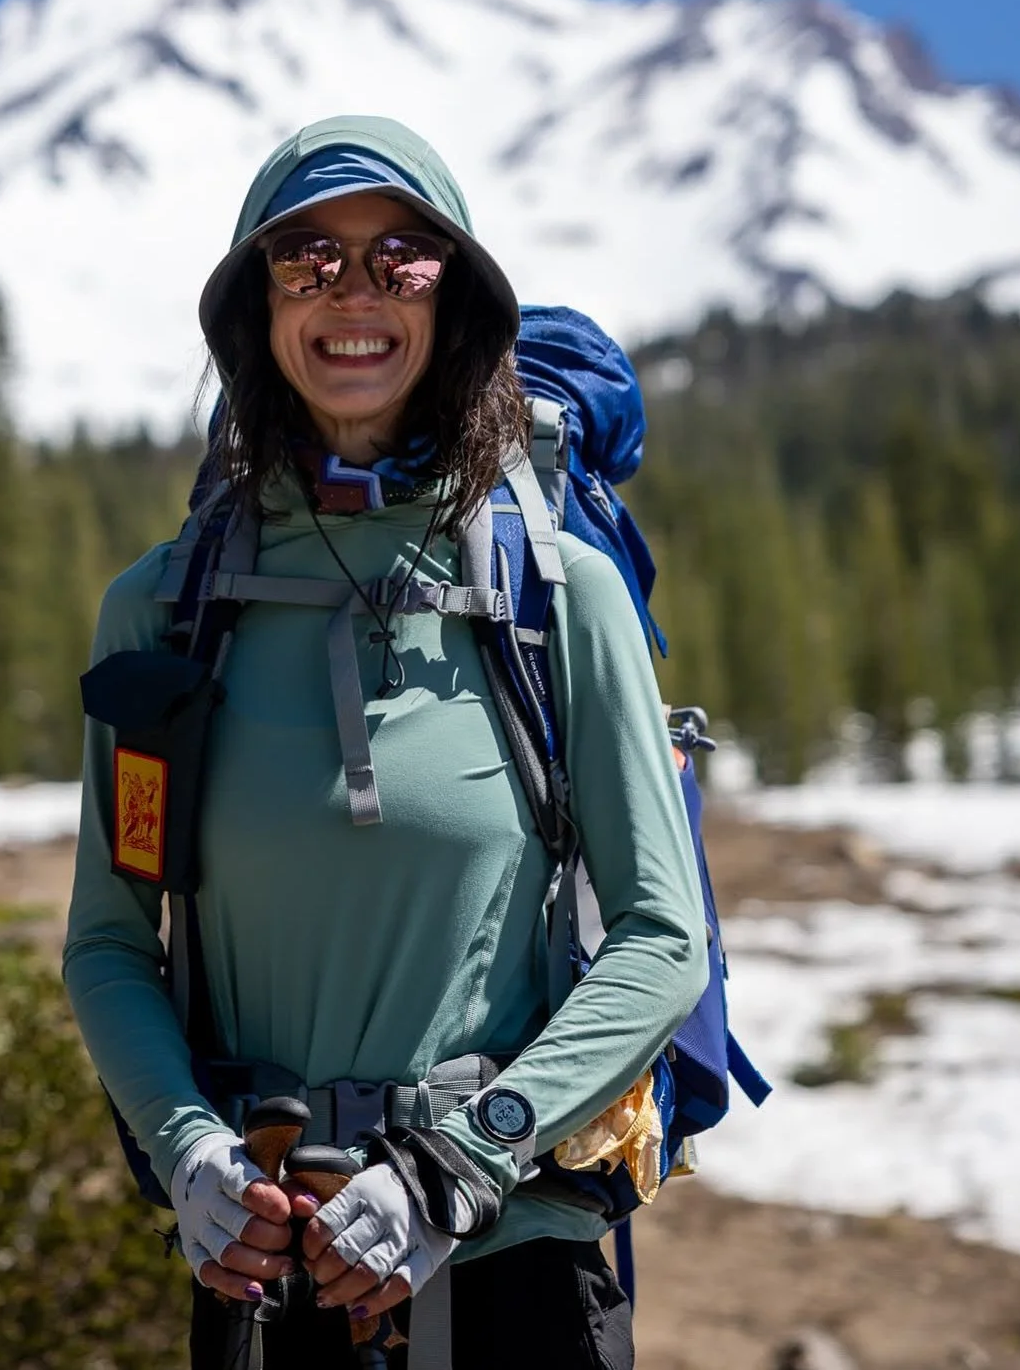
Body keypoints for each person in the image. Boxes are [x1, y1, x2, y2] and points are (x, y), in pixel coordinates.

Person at [64, 115, 708, 1369]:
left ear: (454, 298)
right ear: (255, 303)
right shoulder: (166, 612)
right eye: (305, 257)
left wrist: (456, 1166)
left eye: (400, 257)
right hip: (266, 1263)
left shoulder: (556, 596)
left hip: (510, 1258)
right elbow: (107, 940)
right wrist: (190, 1149)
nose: (351, 291)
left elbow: (660, 939)